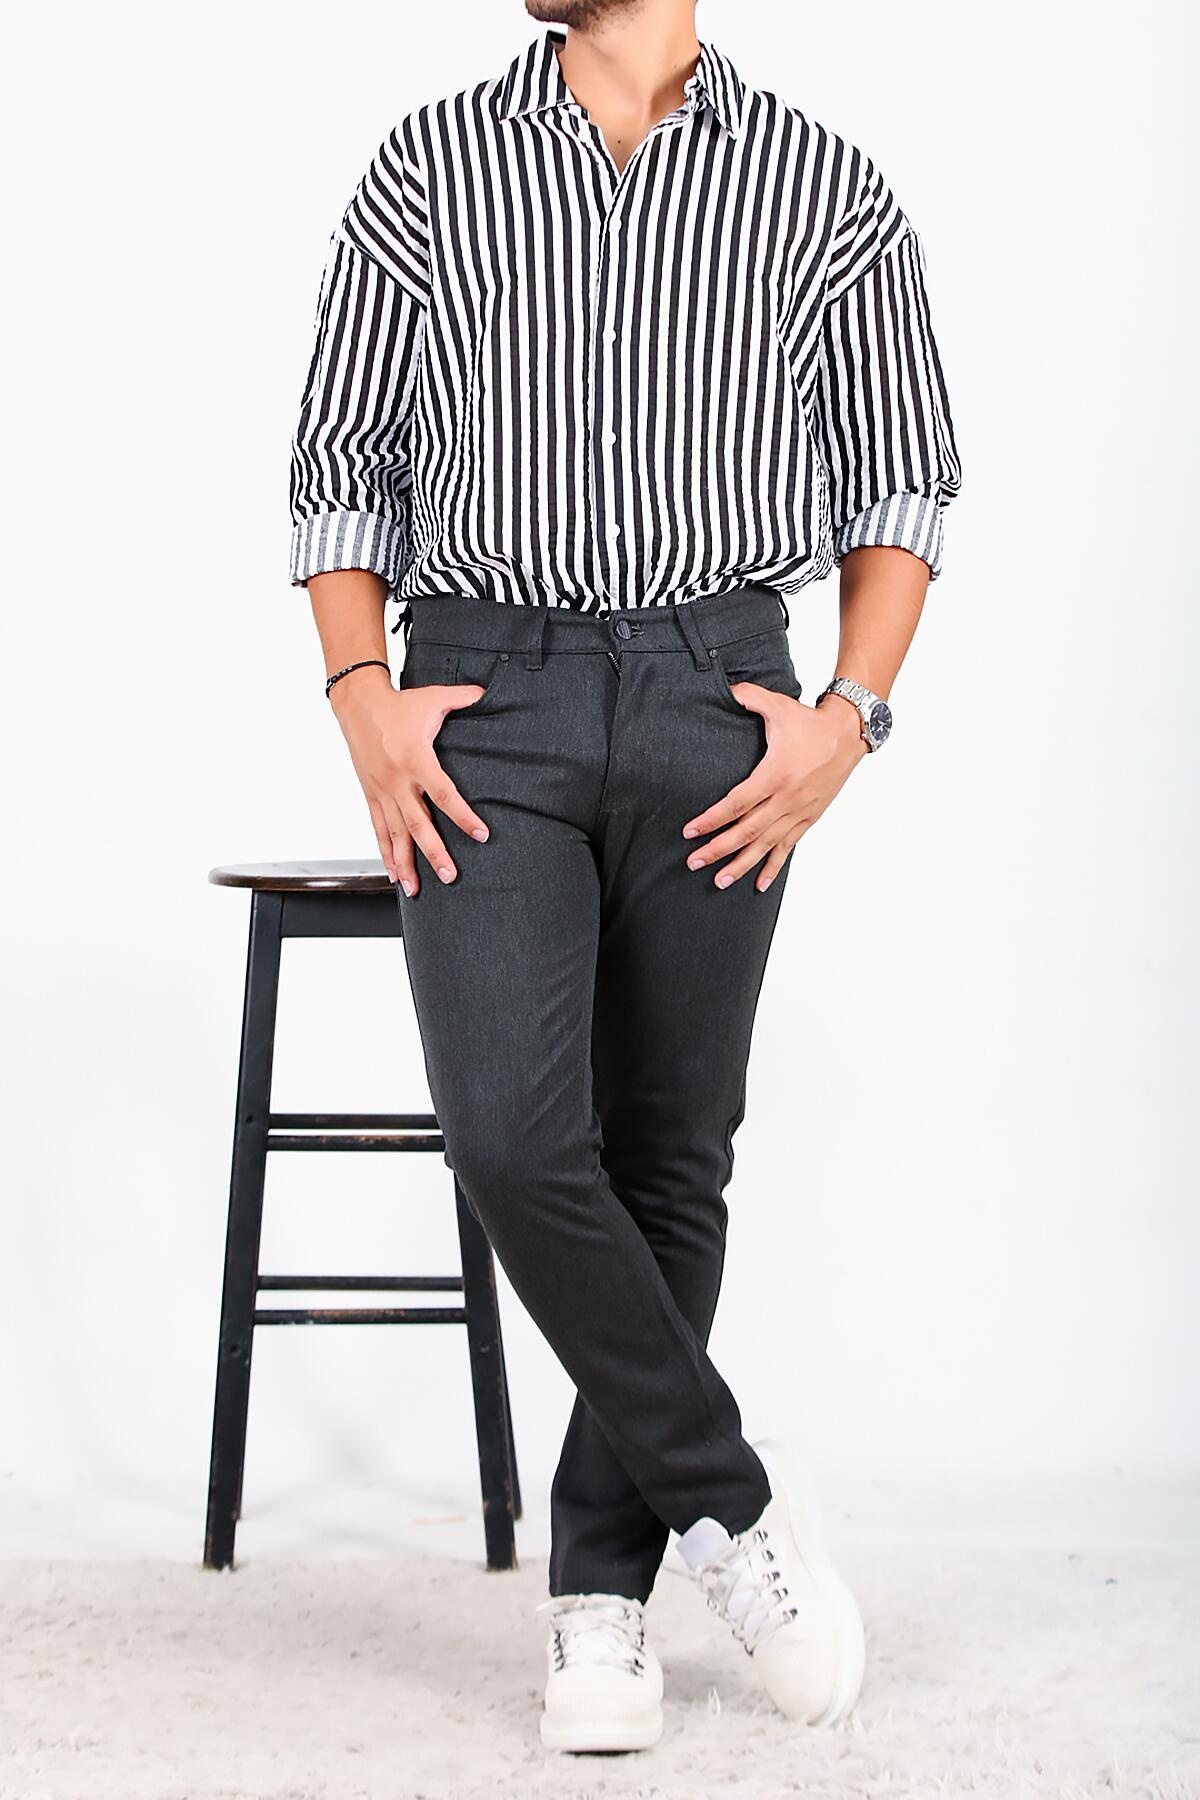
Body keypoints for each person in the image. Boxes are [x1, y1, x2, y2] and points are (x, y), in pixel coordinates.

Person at [289, 0, 962, 1756]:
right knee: (514, 1137)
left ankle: (603, 1599)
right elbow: (336, 474)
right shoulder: (430, 164)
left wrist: (849, 721)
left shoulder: (823, 187)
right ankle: (732, 1501)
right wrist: (363, 702)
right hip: (484, 697)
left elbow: (906, 486)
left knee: (673, 1150)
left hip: (716, 693)